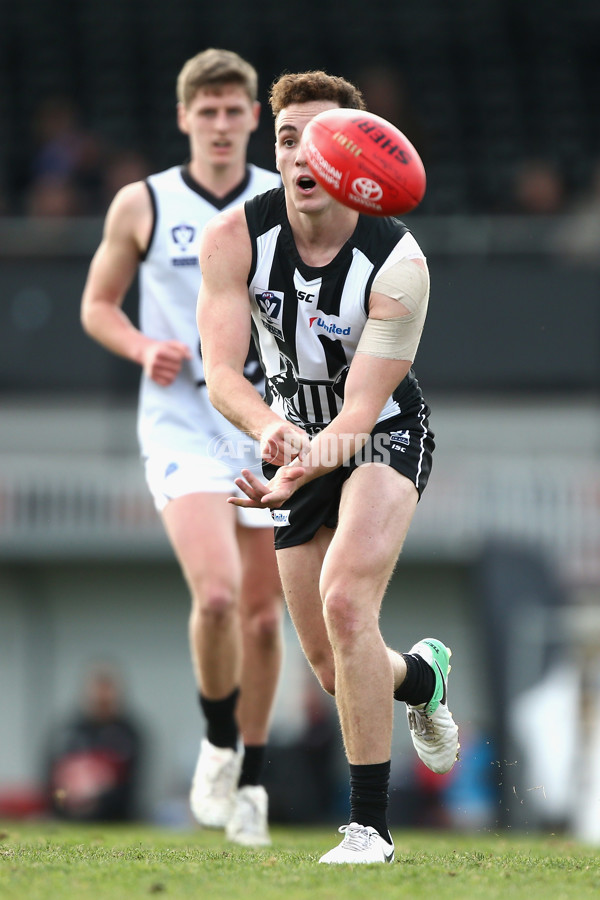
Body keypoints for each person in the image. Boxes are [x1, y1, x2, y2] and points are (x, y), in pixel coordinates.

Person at [197, 70, 460, 864]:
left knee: (348, 606)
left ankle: (370, 831)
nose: (304, 155)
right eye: (287, 139)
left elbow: (356, 412)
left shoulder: (399, 262)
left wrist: (298, 463)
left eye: (322, 138)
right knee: (332, 666)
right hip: (294, 442)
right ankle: (421, 677)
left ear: (354, 153)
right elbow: (222, 377)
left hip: (378, 435)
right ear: (275, 152)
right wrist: (274, 432)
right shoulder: (234, 240)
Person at [80, 48, 284, 846]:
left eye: (236, 110)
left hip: (265, 422)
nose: (224, 124)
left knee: (267, 623)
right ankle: (217, 737)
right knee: (220, 596)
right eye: (209, 111)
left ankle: (253, 788)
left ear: (255, 119)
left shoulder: (282, 199)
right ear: (184, 118)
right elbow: (98, 305)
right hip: (179, 419)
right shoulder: (144, 203)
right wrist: (139, 348)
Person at [45, 664, 143, 822]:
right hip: (68, 819)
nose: (102, 695)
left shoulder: (129, 734)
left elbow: (133, 786)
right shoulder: (67, 731)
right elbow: (51, 779)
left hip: (116, 821)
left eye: (108, 688)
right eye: (97, 688)